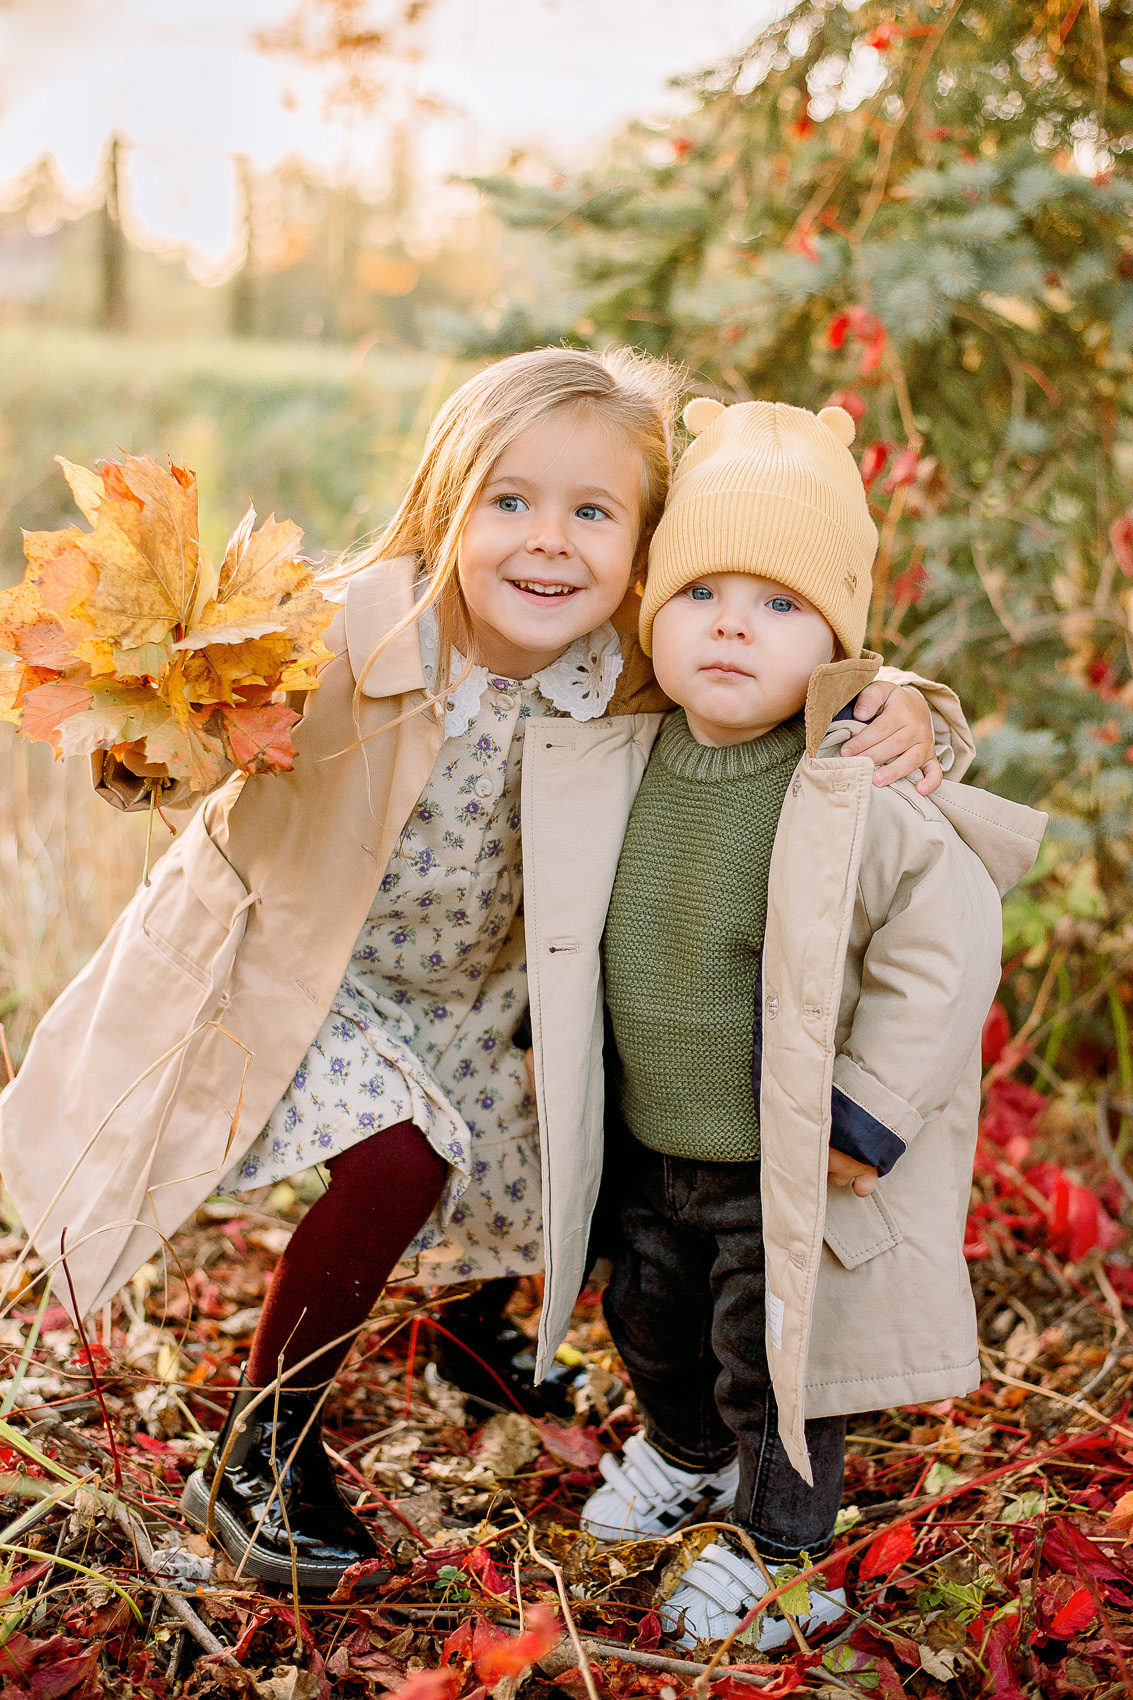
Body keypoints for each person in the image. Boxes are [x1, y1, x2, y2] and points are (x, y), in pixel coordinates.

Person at [0, 353, 960, 1594]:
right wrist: (152, 741)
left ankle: (467, 1331)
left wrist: (905, 704)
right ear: (446, 501)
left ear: (645, 548)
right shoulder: (338, 631)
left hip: (482, 996)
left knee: (557, 1143)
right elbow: (190, 724)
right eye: (509, 500)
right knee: (403, 1158)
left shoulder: (627, 660)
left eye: (593, 512)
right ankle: (257, 1448)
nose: (548, 541)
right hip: (309, 978)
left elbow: (786, 657)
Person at [579, 397, 1046, 1650]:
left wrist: (868, 1108)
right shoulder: (616, 750)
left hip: (786, 1154)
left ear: (841, 643)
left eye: (780, 603)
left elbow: (945, 944)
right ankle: (685, 1456)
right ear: (649, 610)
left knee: (776, 1358)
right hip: (649, 1138)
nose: (732, 623)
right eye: (700, 592)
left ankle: (783, 1552)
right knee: (647, 1317)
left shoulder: (854, 782)